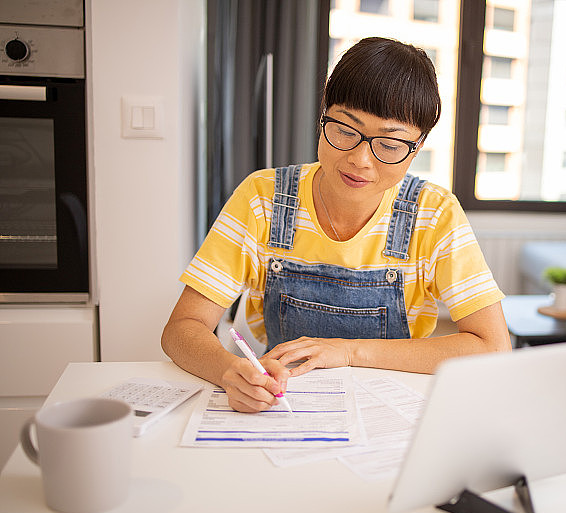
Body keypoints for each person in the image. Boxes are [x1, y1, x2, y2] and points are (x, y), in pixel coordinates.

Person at [162, 37, 511, 413]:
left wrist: (347, 351)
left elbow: (491, 345)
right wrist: (230, 371)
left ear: (418, 146)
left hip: (391, 408)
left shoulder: (433, 213)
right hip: (285, 402)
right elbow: (182, 328)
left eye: (390, 145)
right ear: (322, 115)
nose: (360, 159)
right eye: (345, 130)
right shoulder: (263, 198)